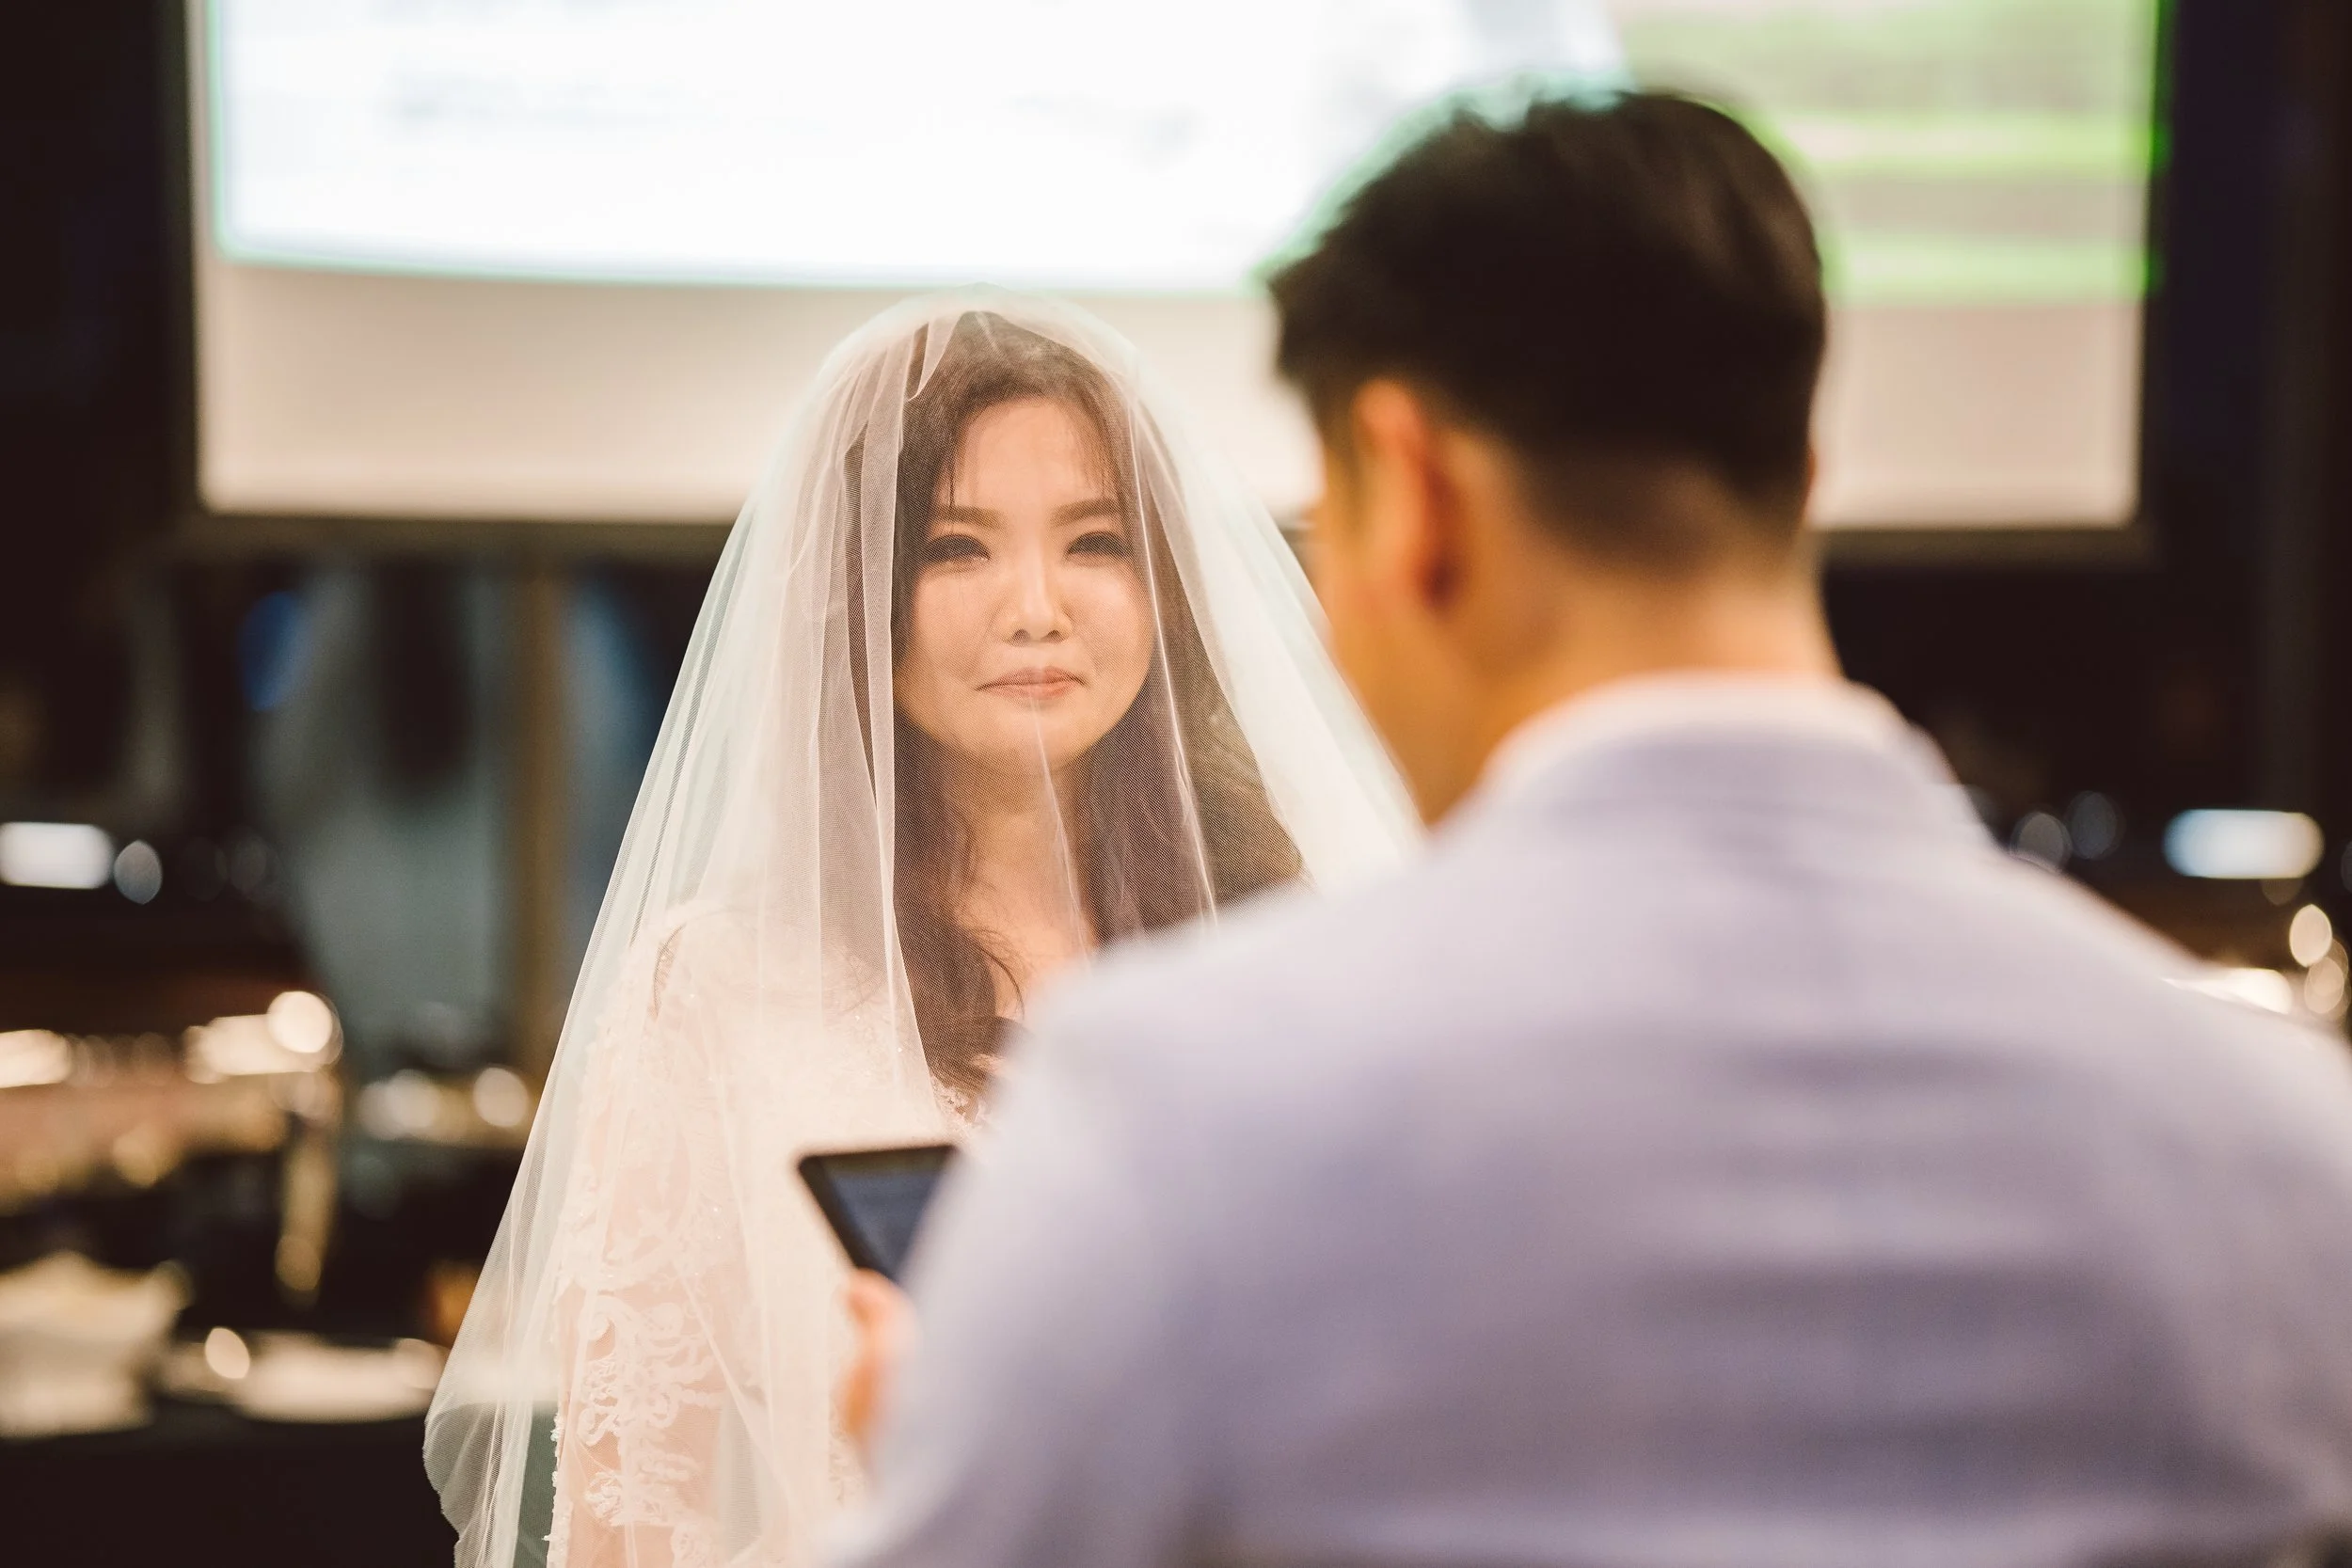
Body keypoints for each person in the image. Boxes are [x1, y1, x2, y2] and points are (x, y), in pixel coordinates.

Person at [829, 92, 2352, 1568]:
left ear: (1416, 500)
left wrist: (960, 1446)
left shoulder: (1167, 1113)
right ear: (1803, 481)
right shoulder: (2280, 1143)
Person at [423, 294, 1419, 1568]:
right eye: (958, 549)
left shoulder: (1298, 951)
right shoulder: (717, 993)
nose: (1037, 606)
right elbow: (630, 1519)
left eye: (1096, 543)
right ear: (862, 595)